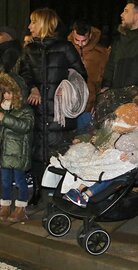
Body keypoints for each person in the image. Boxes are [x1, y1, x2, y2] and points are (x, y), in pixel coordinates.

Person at [19, 8, 87, 205]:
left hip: (60, 111)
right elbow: (24, 74)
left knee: (60, 151)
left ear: (44, 24)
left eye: (33, 22)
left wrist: (65, 87)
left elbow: (80, 74)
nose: (30, 26)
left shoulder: (65, 47)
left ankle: (60, 192)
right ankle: (38, 191)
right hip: (38, 109)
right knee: (37, 151)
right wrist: (32, 88)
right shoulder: (29, 49)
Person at [57, 101, 138, 208]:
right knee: (92, 168)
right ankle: (77, 190)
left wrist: (132, 155)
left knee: (104, 174)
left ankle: (85, 195)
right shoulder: (120, 132)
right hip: (111, 158)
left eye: (119, 118)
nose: (116, 120)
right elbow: (100, 138)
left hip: (125, 164)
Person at [0, 72, 34, 222]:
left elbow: (25, 126)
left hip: (18, 154)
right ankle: (5, 205)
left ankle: (21, 207)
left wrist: (5, 118)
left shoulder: (26, 110)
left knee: (20, 181)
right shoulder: (3, 109)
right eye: (3, 92)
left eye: (9, 92)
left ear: (18, 93)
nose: (6, 95)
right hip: (3, 153)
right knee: (4, 181)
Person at [101, 0, 138, 91]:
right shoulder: (119, 40)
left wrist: (136, 93)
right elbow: (110, 66)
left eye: (126, 11)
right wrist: (106, 86)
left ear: (137, 16)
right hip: (117, 97)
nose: (121, 14)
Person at [68, 20, 109, 129]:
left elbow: (106, 79)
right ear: (73, 33)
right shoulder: (66, 49)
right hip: (68, 107)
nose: (80, 43)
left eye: (84, 40)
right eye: (77, 40)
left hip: (89, 107)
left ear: (90, 35)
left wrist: (99, 103)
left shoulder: (101, 53)